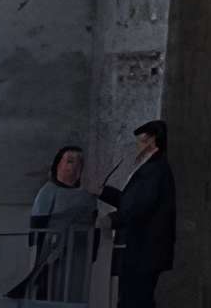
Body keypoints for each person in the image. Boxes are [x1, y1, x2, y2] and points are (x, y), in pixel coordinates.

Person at [98, 122, 177, 308]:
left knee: (135, 299)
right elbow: (132, 201)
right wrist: (103, 192)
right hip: (147, 251)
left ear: (152, 141)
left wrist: (110, 220)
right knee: (137, 298)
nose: (137, 147)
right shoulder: (154, 168)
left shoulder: (153, 169)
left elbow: (139, 206)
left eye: (141, 142)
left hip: (144, 250)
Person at [18, 146, 104, 301]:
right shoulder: (48, 192)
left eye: (79, 162)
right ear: (58, 165)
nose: (75, 166)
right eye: (70, 161)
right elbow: (37, 230)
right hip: (52, 255)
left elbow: (93, 224)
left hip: (79, 255)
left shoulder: (88, 195)